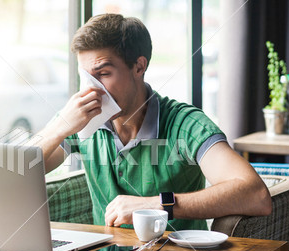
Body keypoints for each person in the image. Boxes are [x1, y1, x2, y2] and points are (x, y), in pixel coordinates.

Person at [32, 13, 271, 230]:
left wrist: (157, 205)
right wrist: (58, 127)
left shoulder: (185, 124)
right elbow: (15, 171)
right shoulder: (81, 119)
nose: (92, 89)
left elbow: (256, 195)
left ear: (139, 66)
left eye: (103, 74)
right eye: (86, 77)